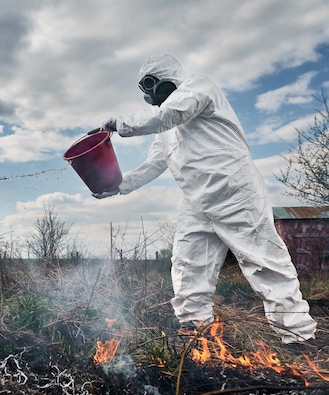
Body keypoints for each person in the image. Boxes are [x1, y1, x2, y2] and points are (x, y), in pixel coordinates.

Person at [96, 53, 317, 345]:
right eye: (144, 89)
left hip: (235, 191)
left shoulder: (199, 87)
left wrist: (119, 124)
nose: (150, 94)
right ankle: (195, 333)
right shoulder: (164, 132)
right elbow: (153, 165)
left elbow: (171, 113)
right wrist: (116, 186)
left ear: (169, 77)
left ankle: (299, 337)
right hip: (197, 203)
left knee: (265, 263)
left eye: (151, 84)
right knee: (188, 264)